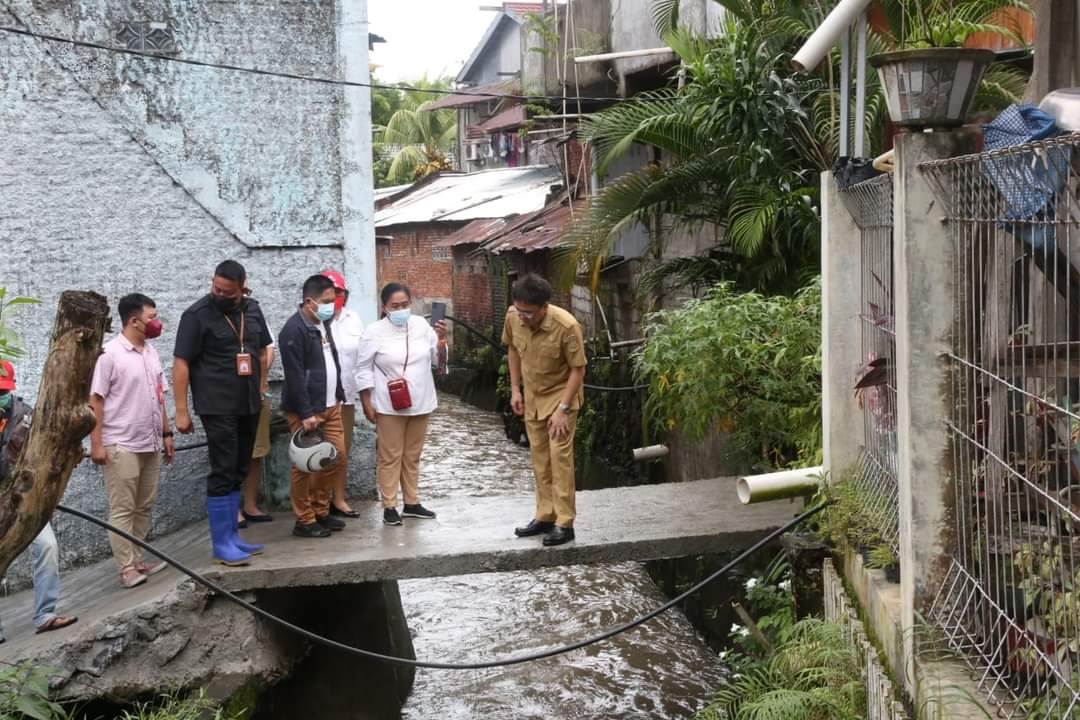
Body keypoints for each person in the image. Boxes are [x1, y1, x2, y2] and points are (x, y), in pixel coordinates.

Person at [173, 260, 273, 566]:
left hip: (248, 402)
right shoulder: (196, 315)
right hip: (216, 405)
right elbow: (181, 363)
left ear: (242, 288)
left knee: (241, 467)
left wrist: (262, 373)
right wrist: (181, 410)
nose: (218, 293)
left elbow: (265, 347)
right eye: (215, 288)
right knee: (223, 468)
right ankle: (221, 545)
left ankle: (233, 538)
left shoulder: (252, 310)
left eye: (226, 291)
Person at [89, 293, 174, 588]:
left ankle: (138, 558)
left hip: (149, 441)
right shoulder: (109, 354)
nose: (157, 323)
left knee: (144, 505)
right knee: (122, 508)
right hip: (120, 443)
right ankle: (126, 569)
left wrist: (166, 432)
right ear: (134, 321)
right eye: (152, 317)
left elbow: (159, 395)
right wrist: (96, 443)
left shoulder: (151, 352)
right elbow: (96, 400)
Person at [503, 274, 586, 547]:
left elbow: (578, 369)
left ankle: (565, 523)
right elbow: (513, 350)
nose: (523, 317)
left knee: (559, 459)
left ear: (543, 307)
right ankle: (545, 515)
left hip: (561, 399)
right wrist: (516, 390)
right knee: (539, 459)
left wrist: (562, 409)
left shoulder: (566, 325)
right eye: (519, 310)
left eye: (528, 312)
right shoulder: (513, 317)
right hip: (533, 398)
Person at [356, 283, 445, 526]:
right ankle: (389, 505)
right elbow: (362, 368)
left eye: (405, 305)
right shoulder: (373, 332)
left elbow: (437, 360)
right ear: (384, 307)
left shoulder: (421, 326)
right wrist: (366, 401)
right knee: (390, 455)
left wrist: (442, 341)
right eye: (395, 306)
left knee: (413, 454)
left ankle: (412, 502)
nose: (400, 310)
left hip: (421, 398)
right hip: (388, 403)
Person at [0, 361, 77, 640]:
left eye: (3, 390)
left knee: (47, 546)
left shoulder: (27, 416)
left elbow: (45, 456)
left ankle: (45, 614)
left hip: (22, 498)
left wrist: (48, 495)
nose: (1, 396)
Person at [278, 274, 348, 538]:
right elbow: (295, 375)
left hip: (330, 405)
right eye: (327, 301)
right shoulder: (293, 330)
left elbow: (332, 359)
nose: (332, 306)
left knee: (335, 457)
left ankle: (321, 510)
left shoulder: (322, 323)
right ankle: (304, 519)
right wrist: (306, 413)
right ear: (309, 302)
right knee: (305, 465)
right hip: (307, 410)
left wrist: (339, 392)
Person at [321, 269, 363, 518]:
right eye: (331, 292)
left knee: (341, 452)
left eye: (339, 292)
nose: (336, 297)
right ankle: (319, 503)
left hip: (346, 398)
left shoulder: (353, 319)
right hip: (320, 400)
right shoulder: (312, 321)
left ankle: (338, 498)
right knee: (319, 452)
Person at [237, 280, 274, 528]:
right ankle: (234, 508)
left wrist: (261, 384)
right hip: (227, 398)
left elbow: (267, 349)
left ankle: (250, 504)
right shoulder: (209, 315)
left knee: (256, 451)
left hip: (256, 392)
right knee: (230, 454)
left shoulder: (254, 311)